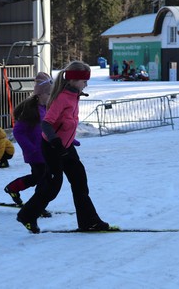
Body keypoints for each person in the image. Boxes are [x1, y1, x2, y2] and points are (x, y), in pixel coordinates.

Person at [17, 60, 110, 233]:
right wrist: (56, 142)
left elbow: (66, 123)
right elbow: (47, 124)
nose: (86, 85)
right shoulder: (62, 98)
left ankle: (88, 221)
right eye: (84, 81)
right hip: (53, 148)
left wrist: (69, 139)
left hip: (66, 147)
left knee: (80, 181)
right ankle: (27, 215)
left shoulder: (74, 96)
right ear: (73, 80)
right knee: (52, 186)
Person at [4, 72, 53, 217]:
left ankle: (13, 188)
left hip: (45, 152)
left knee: (40, 178)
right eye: (49, 94)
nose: (51, 97)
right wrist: (30, 148)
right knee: (42, 179)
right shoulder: (32, 111)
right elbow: (18, 132)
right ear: (41, 94)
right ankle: (36, 206)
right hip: (35, 154)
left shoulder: (46, 109)